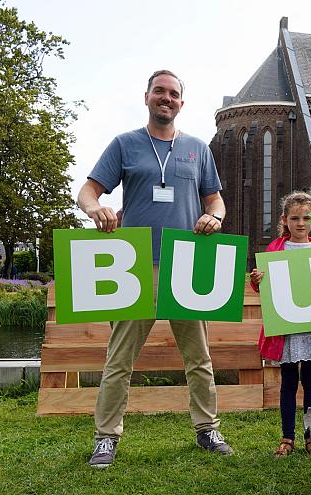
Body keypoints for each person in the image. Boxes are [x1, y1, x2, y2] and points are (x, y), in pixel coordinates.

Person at [77, 70, 233, 468]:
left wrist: (215, 218)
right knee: (119, 359)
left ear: (182, 103)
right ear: (146, 96)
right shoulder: (125, 144)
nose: (167, 98)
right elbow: (88, 191)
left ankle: (207, 428)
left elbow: (216, 202)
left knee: (198, 357)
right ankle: (106, 437)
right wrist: (96, 209)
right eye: (160, 91)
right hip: (134, 266)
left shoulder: (198, 148)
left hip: (186, 265)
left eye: (174, 93)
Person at [249, 191, 311, 458]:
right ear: (285, 220)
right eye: (295, 218)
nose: (300, 223)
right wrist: (257, 280)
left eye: (305, 218)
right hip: (287, 329)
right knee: (288, 382)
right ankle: (287, 437)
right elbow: (264, 291)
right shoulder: (275, 250)